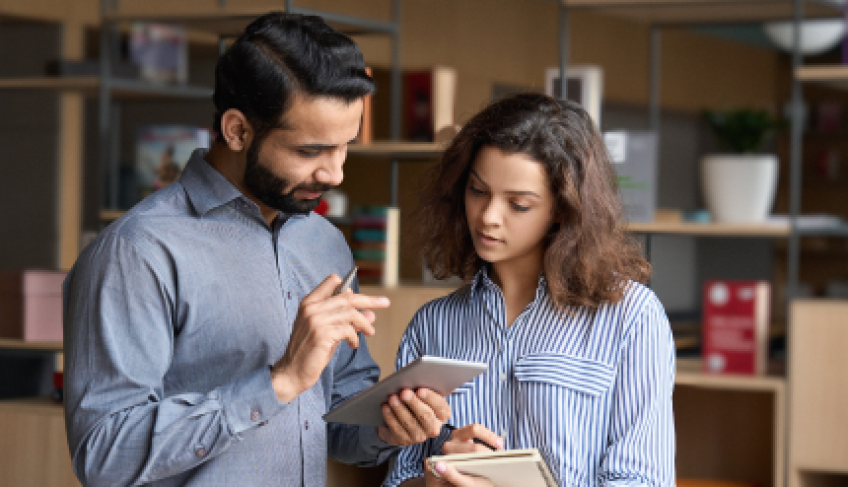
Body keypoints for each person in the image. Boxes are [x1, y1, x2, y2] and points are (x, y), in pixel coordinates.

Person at [63, 12, 451, 487]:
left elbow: (333, 423)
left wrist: (392, 424)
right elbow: (103, 455)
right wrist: (279, 382)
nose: (335, 174)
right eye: (311, 151)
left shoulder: (323, 242)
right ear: (237, 130)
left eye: (344, 146)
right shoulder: (137, 252)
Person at [383, 93, 675, 487]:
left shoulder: (632, 317)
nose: (488, 217)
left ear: (562, 209)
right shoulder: (432, 326)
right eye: (477, 190)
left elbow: (642, 480)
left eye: (518, 204)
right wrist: (434, 480)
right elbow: (399, 477)